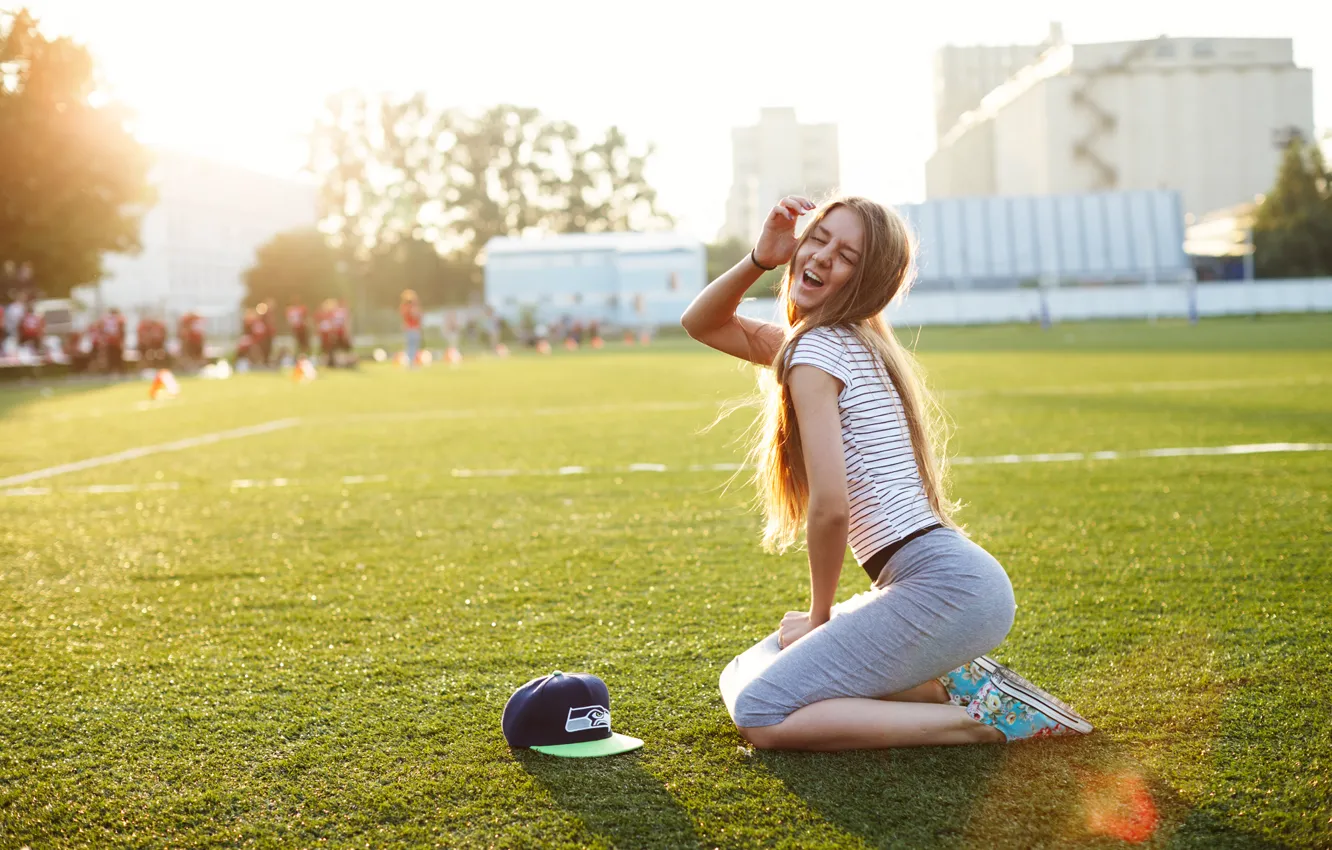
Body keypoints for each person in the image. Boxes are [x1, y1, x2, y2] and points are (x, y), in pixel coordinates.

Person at [681, 195, 1093, 750]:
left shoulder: (817, 352)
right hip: (949, 584)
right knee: (745, 669)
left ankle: (978, 722)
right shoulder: (837, 344)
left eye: (845, 254)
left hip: (945, 584)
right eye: (819, 237)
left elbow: (831, 507)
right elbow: (700, 322)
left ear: (867, 281)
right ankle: (947, 687)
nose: (822, 257)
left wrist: (820, 615)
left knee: (761, 712)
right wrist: (761, 256)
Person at [400, 289, 422, 365]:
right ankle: (411, 363)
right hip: (412, 328)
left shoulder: (404, 307)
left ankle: (411, 362)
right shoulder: (409, 307)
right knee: (412, 346)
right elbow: (416, 315)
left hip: (411, 328)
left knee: (412, 346)